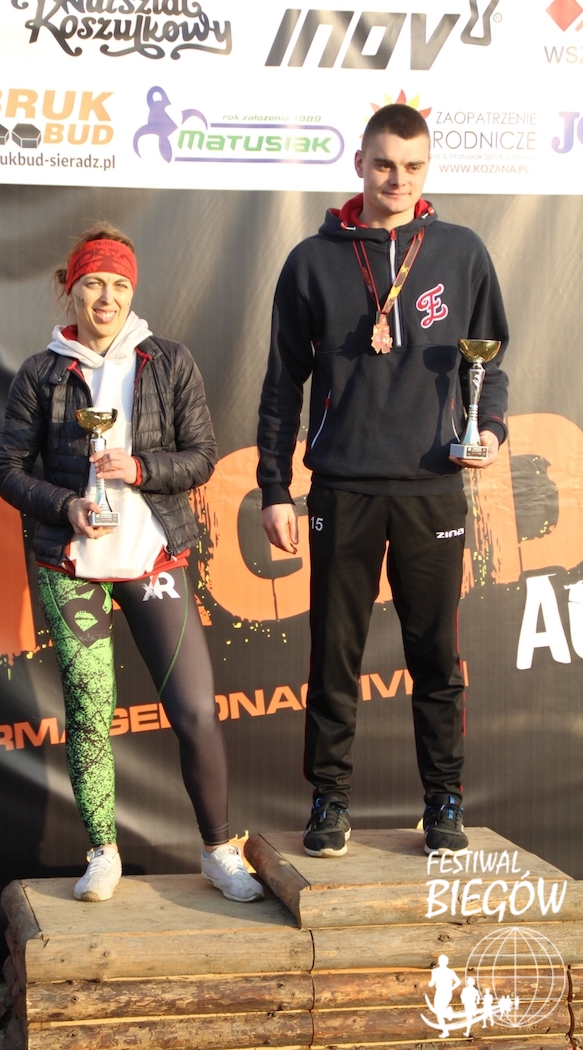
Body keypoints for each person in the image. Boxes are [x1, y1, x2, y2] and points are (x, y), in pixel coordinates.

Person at [257, 104, 508, 858]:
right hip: (343, 486)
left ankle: (445, 801)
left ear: (427, 169)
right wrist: (275, 487)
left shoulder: (461, 251)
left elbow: (490, 364)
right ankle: (330, 801)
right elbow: (282, 384)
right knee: (335, 655)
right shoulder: (312, 260)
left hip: (433, 484)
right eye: (385, 164)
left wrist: (490, 430)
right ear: (360, 164)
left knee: (436, 658)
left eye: (413, 167)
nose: (398, 180)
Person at [0, 223, 263, 904]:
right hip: (72, 567)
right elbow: (7, 469)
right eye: (93, 283)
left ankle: (218, 852)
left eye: (118, 284)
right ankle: (103, 853)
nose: (106, 297)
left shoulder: (168, 361)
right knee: (90, 717)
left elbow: (201, 457)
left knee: (195, 710)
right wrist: (65, 505)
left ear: (132, 290)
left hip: (153, 560)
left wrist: (139, 468)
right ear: (71, 289)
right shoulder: (42, 372)